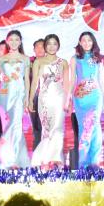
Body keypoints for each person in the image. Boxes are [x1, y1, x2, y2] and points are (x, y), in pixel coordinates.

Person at [0, 30, 31, 168]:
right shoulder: (1, 59)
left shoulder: (25, 59)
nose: (14, 42)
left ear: (20, 42)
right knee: (10, 124)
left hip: (19, 94)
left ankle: (12, 159)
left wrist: (27, 98)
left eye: (16, 39)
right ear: (7, 41)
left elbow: (27, 80)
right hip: (5, 95)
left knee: (17, 124)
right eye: (11, 39)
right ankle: (8, 157)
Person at [30, 34, 68, 168]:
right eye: (49, 44)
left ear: (58, 46)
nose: (52, 46)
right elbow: (34, 83)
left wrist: (68, 101)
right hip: (44, 101)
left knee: (58, 128)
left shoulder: (63, 62)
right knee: (46, 130)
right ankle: (45, 160)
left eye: (54, 44)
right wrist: (30, 100)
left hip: (59, 99)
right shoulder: (38, 62)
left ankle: (56, 160)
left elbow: (67, 84)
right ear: (45, 46)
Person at [70, 32, 104, 169]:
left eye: (89, 40)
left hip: (95, 97)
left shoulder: (98, 59)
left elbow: (100, 80)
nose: (86, 43)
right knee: (84, 127)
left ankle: (94, 162)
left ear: (93, 42)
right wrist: (68, 98)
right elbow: (72, 80)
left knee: (94, 124)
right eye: (83, 40)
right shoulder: (75, 59)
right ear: (79, 42)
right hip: (80, 98)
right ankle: (84, 164)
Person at [30, 38, 46, 147]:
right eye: (37, 47)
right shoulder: (29, 62)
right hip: (33, 98)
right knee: (36, 126)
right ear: (34, 49)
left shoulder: (52, 62)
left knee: (46, 126)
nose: (40, 49)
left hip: (47, 98)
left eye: (42, 47)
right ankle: (37, 150)